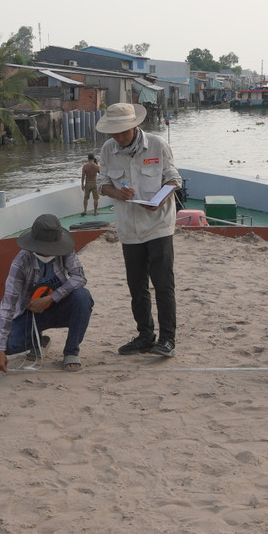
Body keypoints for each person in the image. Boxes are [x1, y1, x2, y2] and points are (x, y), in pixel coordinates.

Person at [96, 102, 180, 358]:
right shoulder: (108, 149)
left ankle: (167, 340)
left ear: (135, 126)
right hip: (129, 228)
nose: (119, 137)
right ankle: (145, 336)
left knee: (163, 285)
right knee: (137, 286)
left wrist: (161, 199)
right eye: (115, 133)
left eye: (124, 132)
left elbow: (173, 178)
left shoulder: (157, 145)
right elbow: (102, 183)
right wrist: (117, 192)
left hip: (158, 226)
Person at [0, 214, 94, 373]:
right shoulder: (21, 262)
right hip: (31, 314)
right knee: (9, 345)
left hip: (60, 307)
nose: (47, 252)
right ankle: (39, 341)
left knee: (83, 296)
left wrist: (51, 298)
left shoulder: (65, 251)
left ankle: (71, 351)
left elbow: (79, 277)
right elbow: (8, 302)